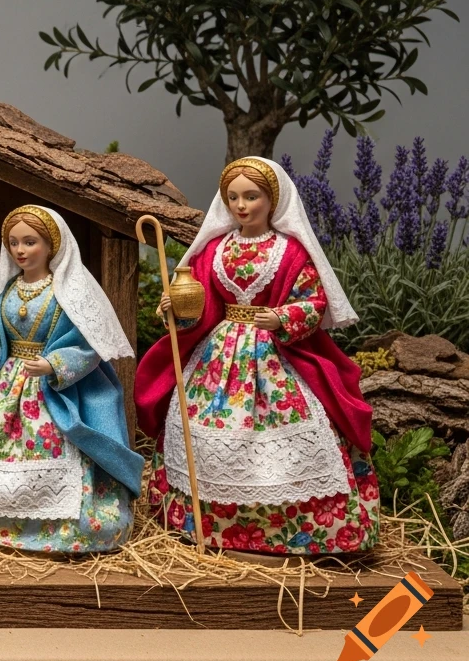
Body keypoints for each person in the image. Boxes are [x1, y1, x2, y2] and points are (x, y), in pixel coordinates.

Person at [135, 157, 379, 555]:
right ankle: (204, 521)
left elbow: (313, 301)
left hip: (272, 356)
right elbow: (199, 299)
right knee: (199, 431)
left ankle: (294, 526)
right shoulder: (215, 248)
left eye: (252, 197)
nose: (241, 206)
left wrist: (283, 316)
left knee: (288, 437)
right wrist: (177, 305)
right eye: (233, 197)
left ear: (273, 200)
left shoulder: (291, 252)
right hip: (218, 354)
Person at [0, 205, 142, 552]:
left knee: (52, 438)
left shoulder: (67, 293)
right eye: (14, 243)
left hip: (50, 389)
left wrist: (55, 364)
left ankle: (59, 526)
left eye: (30, 242)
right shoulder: (3, 291)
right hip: (6, 384)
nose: (21, 250)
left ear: (51, 246)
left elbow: (88, 344)